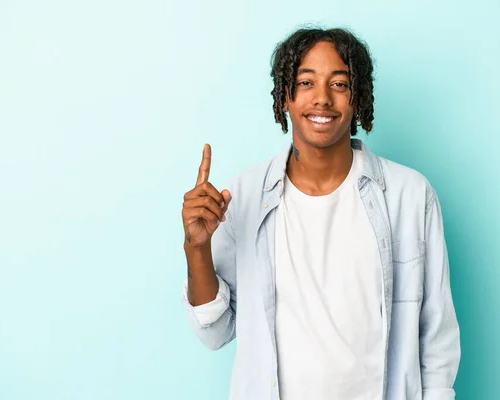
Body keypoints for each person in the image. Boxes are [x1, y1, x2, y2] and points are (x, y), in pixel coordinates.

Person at [180, 27, 460, 400]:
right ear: (284, 97)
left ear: (357, 98)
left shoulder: (410, 196)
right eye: (306, 82)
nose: (322, 98)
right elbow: (215, 332)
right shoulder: (243, 196)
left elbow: (436, 333)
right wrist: (196, 247)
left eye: (340, 84)